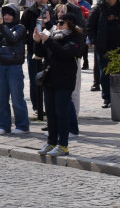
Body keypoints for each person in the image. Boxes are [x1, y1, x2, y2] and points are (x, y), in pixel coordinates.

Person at [34, 12, 87, 157]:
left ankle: (63, 144)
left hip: (64, 80)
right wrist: (38, 41)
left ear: (70, 24)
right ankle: (51, 142)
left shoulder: (75, 38)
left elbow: (65, 53)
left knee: (61, 113)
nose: (58, 25)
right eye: (57, 22)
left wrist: (48, 40)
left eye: (61, 22)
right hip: (50, 78)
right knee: (50, 113)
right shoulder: (53, 37)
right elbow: (40, 54)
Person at [0, 4, 29, 134]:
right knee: (0, 98)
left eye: (10, 14)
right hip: (0, 65)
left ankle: (22, 125)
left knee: (17, 97)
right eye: (4, 14)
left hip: (14, 66)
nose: (6, 16)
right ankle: (3, 125)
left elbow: (13, 39)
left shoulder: (21, 27)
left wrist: (1, 26)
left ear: (15, 15)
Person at [88, 0, 120, 108]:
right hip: (103, 46)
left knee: (119, 72)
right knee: (105, 72)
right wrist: (95, 40)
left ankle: (119, 97)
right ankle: (107, 97)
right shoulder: (98, 8)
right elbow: (90, 26)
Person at [20, 0, 49, 121]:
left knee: (48, 79)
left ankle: (48, 106)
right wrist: (29, 41)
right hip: (33, 49)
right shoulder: (29, 12)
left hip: (49, 49)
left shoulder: (51, 11)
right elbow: (22, 29)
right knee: (34, 79)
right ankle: (37, 106)